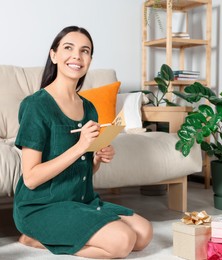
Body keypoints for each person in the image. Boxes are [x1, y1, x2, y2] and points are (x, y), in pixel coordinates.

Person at [13, 26, 153, 258]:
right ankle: (35, 239)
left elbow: (85, 168)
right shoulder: (35, 106)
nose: (77, 56)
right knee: (123, 241)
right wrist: (79, 147)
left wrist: (96, 157)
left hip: (82, 201)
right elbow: (30, 178)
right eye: (68, 48)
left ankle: (59, 236)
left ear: (89, 59)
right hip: (41, 207)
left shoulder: (88, 108)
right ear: (54, 55)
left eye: (84, 51)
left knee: (144, 234)